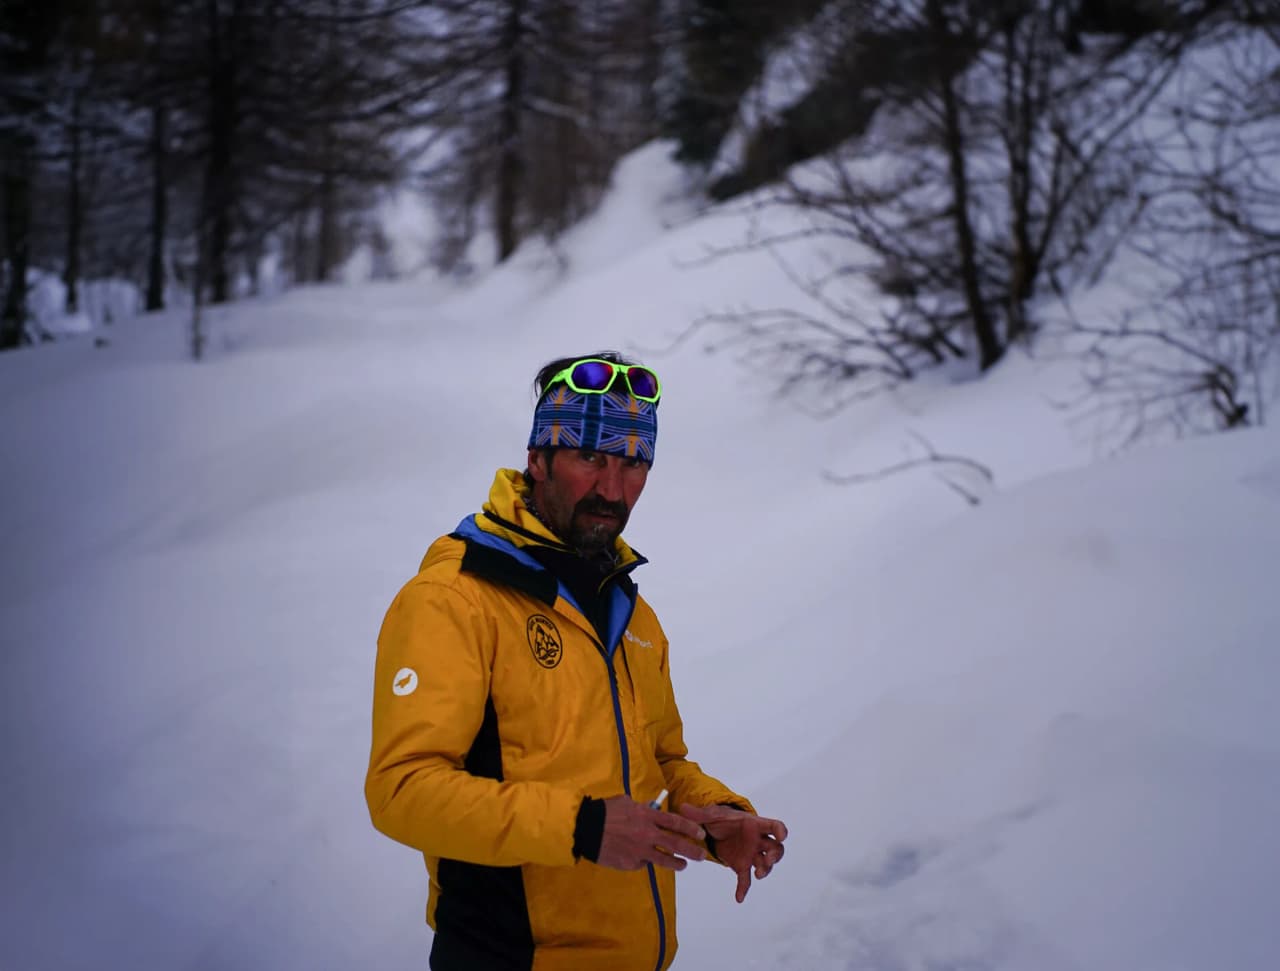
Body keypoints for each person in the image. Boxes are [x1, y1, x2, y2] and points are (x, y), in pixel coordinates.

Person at [365, 352, 788, 970]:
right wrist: (580, 827)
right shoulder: (455, 597)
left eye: (634, 463)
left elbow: (661, 763)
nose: (613, 490)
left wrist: (715, 820)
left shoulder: (627, 611)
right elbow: (401, 790)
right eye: (590, 457)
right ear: (537, 459)